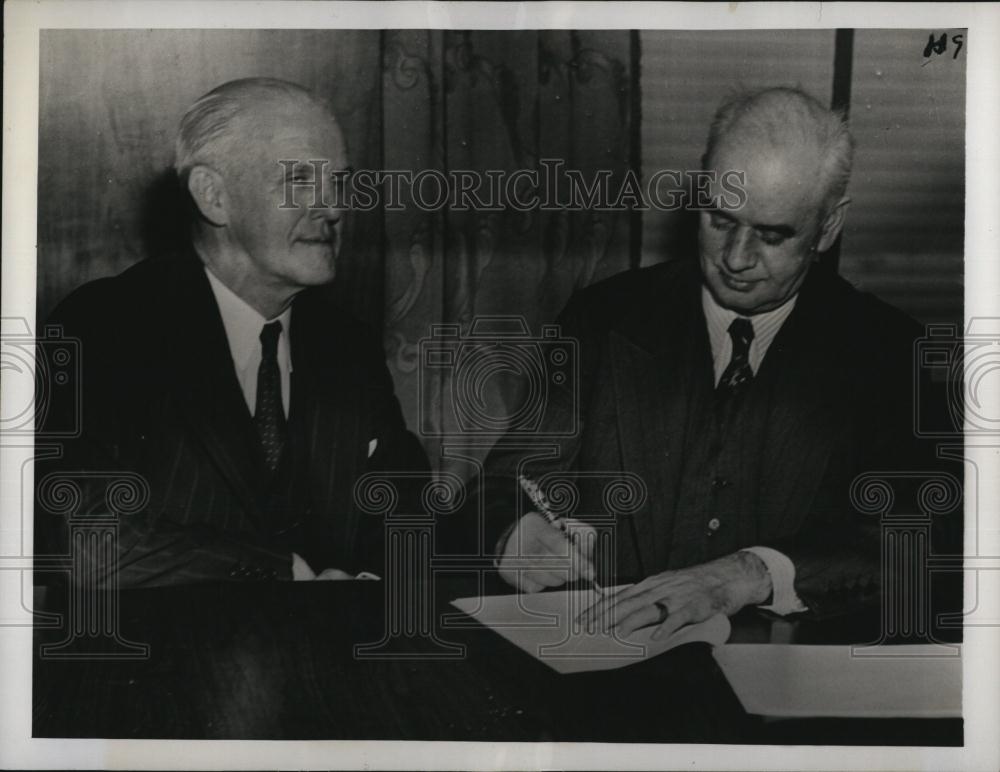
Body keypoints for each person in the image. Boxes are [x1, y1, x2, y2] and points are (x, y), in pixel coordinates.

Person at [482, 86, 958, 638]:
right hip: (609, 658)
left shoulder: (888, 350)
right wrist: (511, 530)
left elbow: (924, 536)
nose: (736, 258)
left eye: (772, 235)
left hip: (784, 673)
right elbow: (499, 486)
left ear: (828, 227)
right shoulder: (602, 319)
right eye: (720, 219)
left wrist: (751, 573)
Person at [36, 78, 428, 587]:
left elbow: (406, 508)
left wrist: (371, 584)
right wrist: (282, 574)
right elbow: (83, 538)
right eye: (300, 180)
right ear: (213, 196)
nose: (333, 208)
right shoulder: (107, 326)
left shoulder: (346, 344)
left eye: (339, 183)